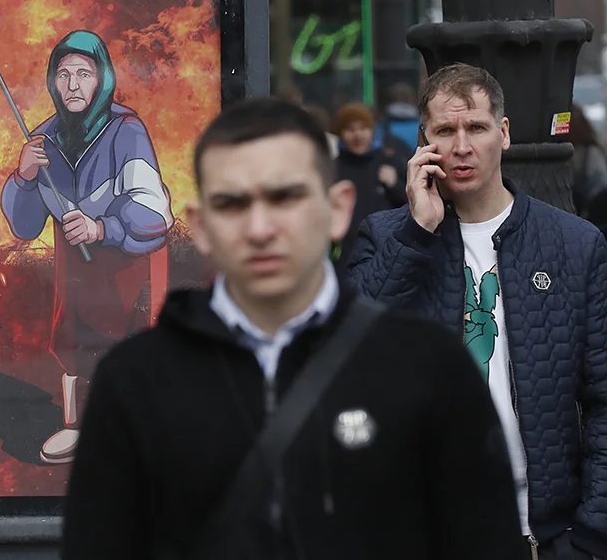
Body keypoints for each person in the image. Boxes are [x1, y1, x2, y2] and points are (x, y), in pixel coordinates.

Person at [61, 97, 526, 560]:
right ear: (200, 226)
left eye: (285, 197)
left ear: (338, 209)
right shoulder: (135, 382)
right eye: (233, 203)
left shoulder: (427, 368)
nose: (261, 228)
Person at [346, 63, 607, 560]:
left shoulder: (574, 244)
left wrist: (591, 534)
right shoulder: (386, 237)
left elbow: (603, 396)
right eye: (445, 130)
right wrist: (416, 234)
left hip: (543, 533)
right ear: (424, 143)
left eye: (477, 128)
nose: (462, 146)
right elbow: (347, 347)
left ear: (503, 133)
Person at [0, 30, 173, 464]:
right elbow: (24, 227)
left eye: (83, 73)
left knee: (130, 342)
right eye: (64, 74)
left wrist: (103, 228)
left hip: (126, 265)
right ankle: (76, 426)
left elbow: (156, 212)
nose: (73, 85)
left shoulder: (126, 131)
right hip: (74, 271)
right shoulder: (42, 141)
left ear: (102, 79)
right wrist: (23, 178)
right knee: (73, 339)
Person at [331, 102, 406, 265]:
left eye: (363, 128)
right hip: (345, 258)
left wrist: (394, 185)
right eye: (350, 129)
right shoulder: (333, 169)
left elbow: (411, 205)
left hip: (386, 256)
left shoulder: (388, 160)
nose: (357, 135)